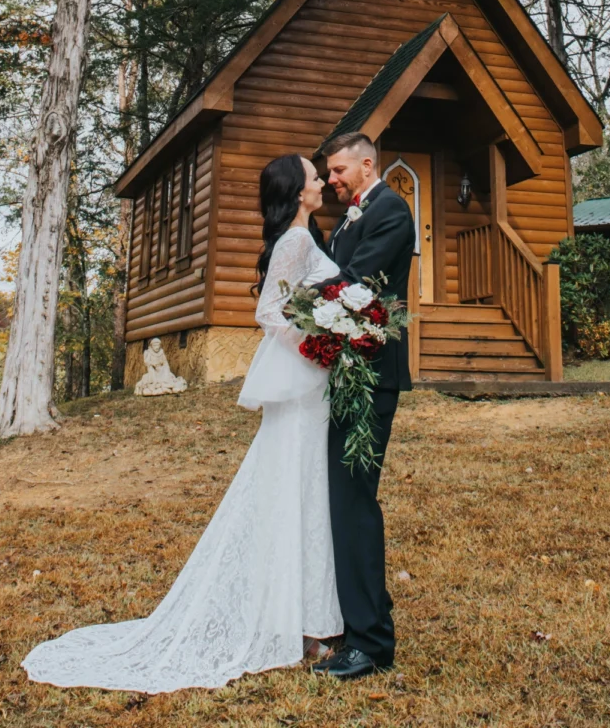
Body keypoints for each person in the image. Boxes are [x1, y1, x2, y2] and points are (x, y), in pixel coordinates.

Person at [22, 153, 342, 694]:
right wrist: (316, 345)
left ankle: (303, 618)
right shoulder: (295, 241)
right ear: (297, 190)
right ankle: (299, 623)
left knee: (302, 491)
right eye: (314, 177)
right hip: (306, 382)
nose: (321, 183)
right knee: (298, 491)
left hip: (311, 388)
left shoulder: (308, 238)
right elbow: (270, 312)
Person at [312, 131, 415, 682]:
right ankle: (366, 617)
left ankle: (371, 644)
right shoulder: (352, 215)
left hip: (371, 377)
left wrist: (304, 303)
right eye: (327, 173)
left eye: (337, 170)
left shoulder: (391, 211)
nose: (332, 180)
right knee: (344, 499)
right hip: (346, 371)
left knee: (354, 501)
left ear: (367, 163)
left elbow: (357, 285)